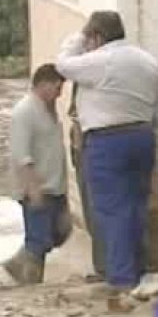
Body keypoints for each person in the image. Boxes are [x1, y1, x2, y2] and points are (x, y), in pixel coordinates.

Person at [56, 11, 158, 313]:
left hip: (107, 142)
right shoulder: (147, 60)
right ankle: (137, 271)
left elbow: (63, 65)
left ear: (98, 37)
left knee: (111, 210)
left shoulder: (101, 60)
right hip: (142, 136)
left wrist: (77, 39)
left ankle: (122, 280)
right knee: (136, 204)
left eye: (90, 39)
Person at [3, 64, 71, 285]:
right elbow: (20, 153)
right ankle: (32, 286)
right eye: (57, 87)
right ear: (42, 84)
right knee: (38, 242)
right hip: (38, 187)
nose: (60, 93)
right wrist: (32, 187)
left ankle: (17, 262)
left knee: (61, 231)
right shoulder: (25, 112)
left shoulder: (48, 109)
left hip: (55, 185)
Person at [68, 84, 105, 283]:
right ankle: (103, 267)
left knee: (96, 212)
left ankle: (104, 269)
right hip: (83, 149)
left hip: (91, 150)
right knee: (92, 214)